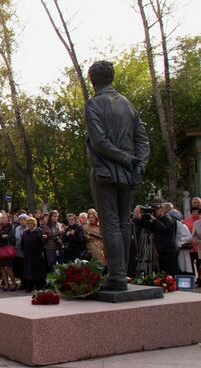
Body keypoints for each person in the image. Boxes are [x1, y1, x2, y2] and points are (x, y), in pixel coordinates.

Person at [85, 60, 150, 291]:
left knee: (111, 222)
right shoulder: (127, 103)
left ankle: (117, 276)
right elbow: (142, 139)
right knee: (123, 222)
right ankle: (120, 274)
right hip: (127, 171)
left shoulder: (94, 104)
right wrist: (138, 163)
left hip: (106, 170)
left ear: (92, 80)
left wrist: (130, 161)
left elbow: (99, 142)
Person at [150, 204, 178, 276]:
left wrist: (155, 220)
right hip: (160, 250)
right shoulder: (157, 220)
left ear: (161, 210)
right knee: (162, 271)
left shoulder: (168, 218)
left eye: (156, 210)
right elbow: (150, 230)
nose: (155, 212)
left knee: (170, 271)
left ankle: (172, 285)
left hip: (169, 250)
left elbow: (164, 230)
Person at [21, 217, 46, 292]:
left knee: (37, 271)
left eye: (31, 223)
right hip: (28, 254)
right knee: (29, 271)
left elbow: (42, 243)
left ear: (34, 223)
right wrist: (24, 251)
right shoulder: (25, 232)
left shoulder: (39, 231)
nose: (29, 225)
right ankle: (29, 287)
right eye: (28, 223)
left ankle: (39, 286)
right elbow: (22, 243)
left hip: (37, 254)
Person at [0, 213, 17, 292]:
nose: (2, 219)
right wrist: (2, 236)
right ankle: (6, 284)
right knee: (2, 268)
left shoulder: (10, 226)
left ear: (8, 219)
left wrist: (4, 236)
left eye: (4, 218)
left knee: (7, 267)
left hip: (8, 249)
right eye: (2, 218)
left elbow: (11, 235)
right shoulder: (0, 226)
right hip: (1, 249)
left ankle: (14, 283)